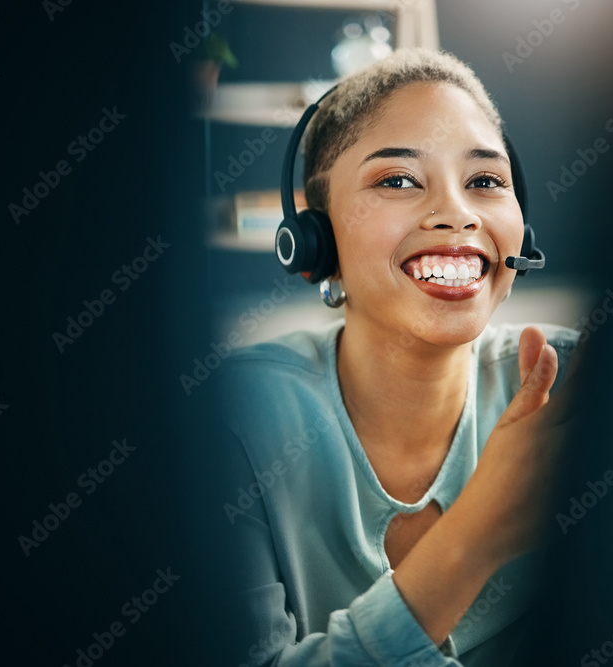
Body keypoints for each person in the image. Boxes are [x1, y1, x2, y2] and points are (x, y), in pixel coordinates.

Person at [216, 48, 578, 666]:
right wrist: (475, 535)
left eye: (485, 181)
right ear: (314, 236)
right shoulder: (230, 421)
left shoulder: (572, 383)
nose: (458, 214)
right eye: (398, 180)